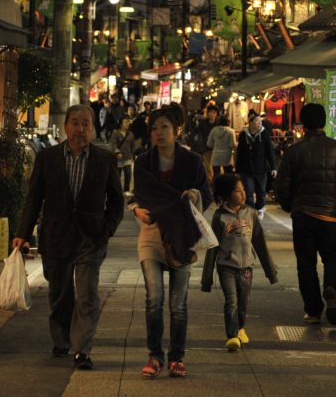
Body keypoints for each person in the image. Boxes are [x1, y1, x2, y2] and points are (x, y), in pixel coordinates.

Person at [14, 105, 124, 370]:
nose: (80, 129)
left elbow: (117, 202)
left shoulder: (104, 159)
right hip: (56, 235)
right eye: (75, 123)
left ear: (93, 129)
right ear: (65, 127)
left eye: (86, 124)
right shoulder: (47, 158)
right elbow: (34, 198)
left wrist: (106, 229)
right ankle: (62, 340)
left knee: (87, 295)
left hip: (91, 237)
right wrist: (22, 233)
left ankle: (82, 350)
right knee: (60, 294)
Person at [130, 106, 212, 379]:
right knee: (155, 298)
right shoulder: (142, 163)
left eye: (164, 127)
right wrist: (137, 210)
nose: (158, 133)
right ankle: (155, 356)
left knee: (178, 304)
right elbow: (135, 197)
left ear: (176, 130)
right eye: (154, 128)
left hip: (181, 236)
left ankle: (177, 357)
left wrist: (193, 195)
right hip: (152, 236)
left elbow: (206, 195)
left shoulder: (192, 161)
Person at [274, 102, 336, 325]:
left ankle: (313, 310)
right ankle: (332, 291)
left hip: (303, 214)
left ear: (303, 124)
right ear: (324, 122)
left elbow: (281, 185)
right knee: (333, 260)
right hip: (330, 216)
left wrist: (289, 206)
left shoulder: (294, 151)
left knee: (306, 264)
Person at [201, 175, 277, 351]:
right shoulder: (219, 216)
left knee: (243, 302)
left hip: (246, 268)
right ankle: (232, 336)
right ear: (227, 194)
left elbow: (259, 242)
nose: (243, 194)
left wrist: (270, 272)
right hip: (226, 266)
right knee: (232, 301)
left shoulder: (250, 213)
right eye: (237, 191)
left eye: (243, 190)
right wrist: (207, 279)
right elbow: (212, 247)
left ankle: (241, 327)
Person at [235, 112, 278, 215]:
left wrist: (273, 167)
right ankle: (252, 213)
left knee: (261, 194)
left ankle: (259, 208)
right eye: (257, 122)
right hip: (246, 169)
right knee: (249, 193)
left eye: (260, 122)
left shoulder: (264, 134)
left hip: (261, 169)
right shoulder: (243, 135)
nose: (260, 124)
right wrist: (238, 170)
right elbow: (239, 153)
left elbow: (270, 151)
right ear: (250, 123)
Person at [110, 115, 139, 194]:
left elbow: (133, 145)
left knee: (128, 174)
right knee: (117, 175)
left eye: (128, 122)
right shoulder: (116, 133)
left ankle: (126, 190)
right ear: (121, 124)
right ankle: (117, 190)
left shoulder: (130, 134)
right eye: (125, 122)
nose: (127, 124)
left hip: (128, 157)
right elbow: (113, 143)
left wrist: (134, 154)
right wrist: (117, 152)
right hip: (118, 158)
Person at [206, 114, 237, 178]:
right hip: (227, 157)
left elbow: (209, 144)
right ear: (228, 122)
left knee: (216, 176)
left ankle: (217, 187)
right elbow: (232, 144)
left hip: (216, 156)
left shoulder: (213, 130)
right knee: (228, 177)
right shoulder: (231, 131)